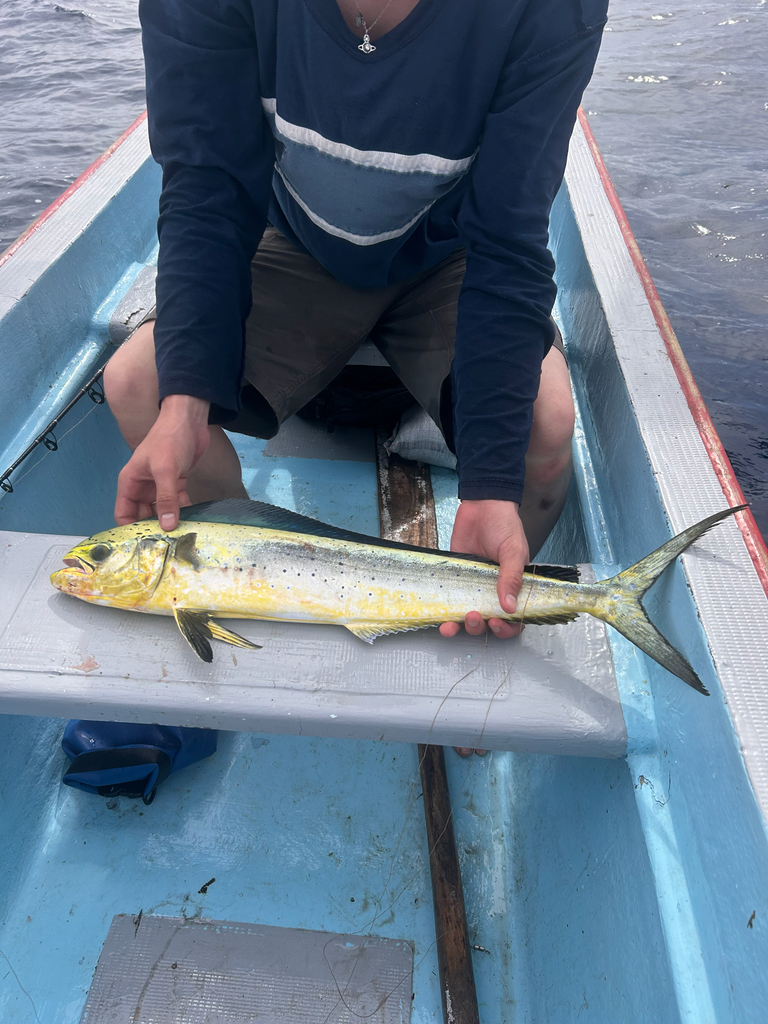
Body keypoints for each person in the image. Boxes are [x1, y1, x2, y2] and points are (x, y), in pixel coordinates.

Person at [105, 0, 607, 656]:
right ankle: (238, 594)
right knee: (140, 384)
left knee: (544, 425)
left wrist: (490, 484)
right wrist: (184, 403)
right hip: (298, 243)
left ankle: (479, 606)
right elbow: (208, 189)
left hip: (449, 253)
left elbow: (509, 235)